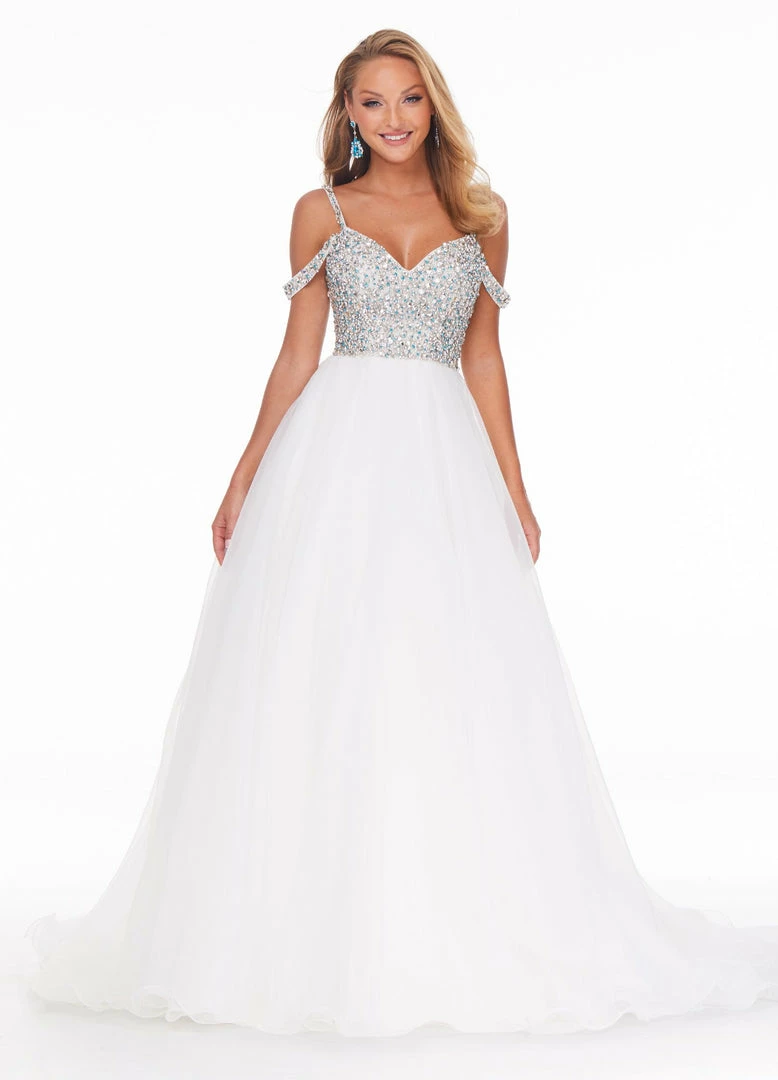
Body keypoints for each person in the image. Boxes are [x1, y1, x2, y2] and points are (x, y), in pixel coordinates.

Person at [22, 28, 778, 1038]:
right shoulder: (321, 213)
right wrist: (243, 475)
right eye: (371, 102)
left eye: (408, 100)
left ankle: (450, 913)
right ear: (347, 114)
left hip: (441, 465)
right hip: (334, 463)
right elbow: (297, 355)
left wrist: (515, 489)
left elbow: (484, 357)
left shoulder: (482, 217)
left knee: (443, 662)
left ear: (434, 106)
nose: (391, 119)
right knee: (325, 662)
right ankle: (306, 927)